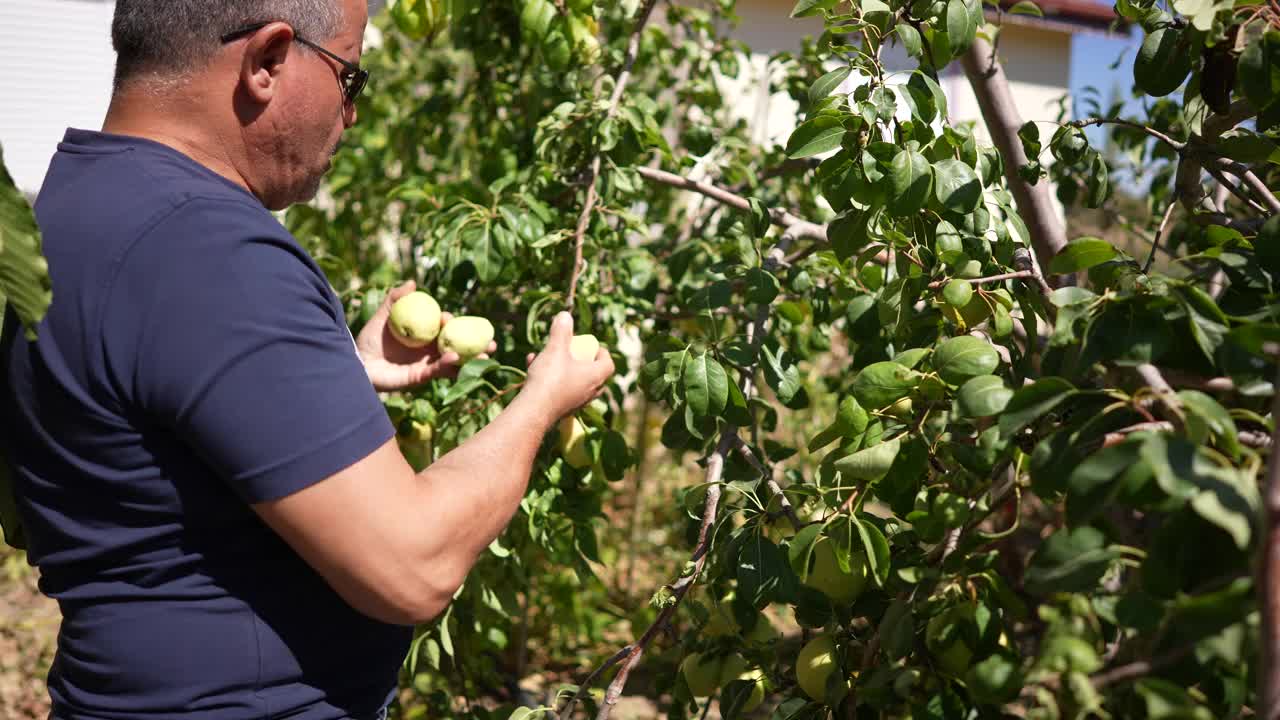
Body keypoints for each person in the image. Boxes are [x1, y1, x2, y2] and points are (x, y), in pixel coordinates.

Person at [0, 1, 615, 719]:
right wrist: (541, 399)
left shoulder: (68, 208)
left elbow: (148, 441)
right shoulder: (210, 251)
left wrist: (334, 377)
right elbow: (413, 567)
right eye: (350, 78)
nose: (351, 114)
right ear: (267, 61)